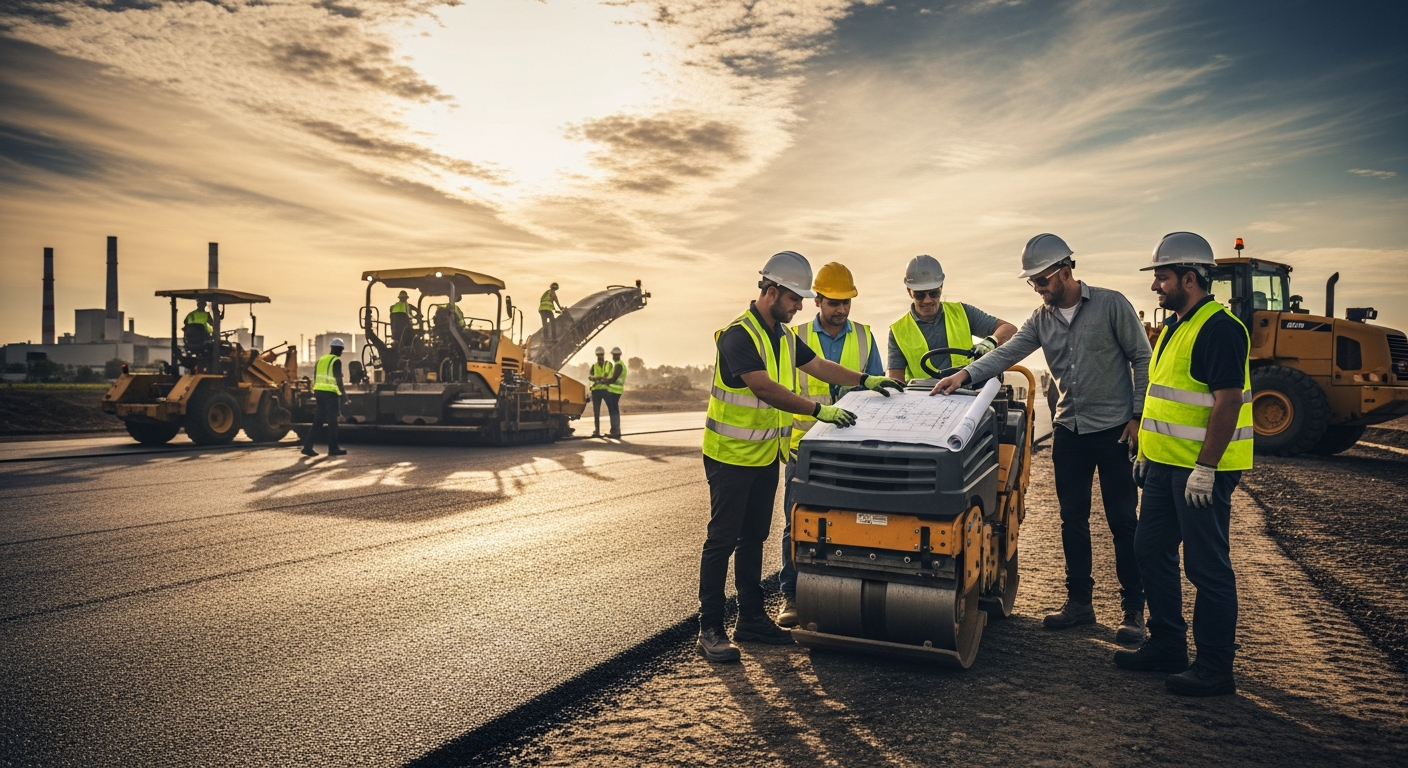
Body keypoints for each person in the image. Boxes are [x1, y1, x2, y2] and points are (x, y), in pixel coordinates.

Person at [931, 234, 1152, 643]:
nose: (1037, 288)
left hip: (1115, 429)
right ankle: (1080, 605)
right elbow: (1007, 352)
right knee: (1073, 520)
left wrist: (1138, 415)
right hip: (1071, 429)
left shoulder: (1111, 305)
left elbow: (1141, 357)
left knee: (1123, 521)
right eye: (1032, 282)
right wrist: (964, 375)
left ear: (1065, 272)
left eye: (1042, 280)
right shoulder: (1041, 318)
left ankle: (1133, 610)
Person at [697, 251, 906, 663]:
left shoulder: (781, 334)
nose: (799, 306)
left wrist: (866, 378)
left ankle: (752, 618)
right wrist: (818, 411)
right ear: (771, 292)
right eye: (794, 299)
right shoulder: (739, 336)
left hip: (762, 455)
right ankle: (710, 628)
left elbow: (818, 366)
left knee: (753, 538)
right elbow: (764, 389)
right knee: (722, 540)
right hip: (728, 457)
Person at [1115, 231, 1253, 697]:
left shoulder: (1219, 328)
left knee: (1206, 567)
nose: (1156, 286)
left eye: (1162, 277)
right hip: (1163, 466)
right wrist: (1147, 455)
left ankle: (1215, 668)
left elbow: (1228, 402)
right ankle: (1169, 645)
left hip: (1200, 470)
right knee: (1149, 550)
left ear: (1188, 278)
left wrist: (1208, 467)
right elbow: (1166, 398)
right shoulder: (1177, 325)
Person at [775, 262, 883, 629]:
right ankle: (791, 594)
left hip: (853, 453)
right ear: (817, 299)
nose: (840, 309)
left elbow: (875, 391)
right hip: (804, 452)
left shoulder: (866, 338)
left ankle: (849, 593)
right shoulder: (796, 335)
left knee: (856, 522)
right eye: (833, 302)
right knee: (797, 523)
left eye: (846, 303)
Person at [888, 254, 1017, 380]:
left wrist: (991, 341)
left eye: (933, 293)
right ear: (909, 292)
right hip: (924, 398)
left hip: (966, 393)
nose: (927, 300)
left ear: (941, 287)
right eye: (920, 295)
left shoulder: (963, 312)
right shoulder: (898, 331)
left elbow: (1008, 329)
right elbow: (896, 379)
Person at [303, 338, 348, 457]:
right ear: (339, 349)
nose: (341, 352)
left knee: (318, 421)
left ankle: (307, 447)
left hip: (319, 392)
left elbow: (315, 376)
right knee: (333, 422)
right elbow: (338, 380)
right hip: (331, 394)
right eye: (341, 350)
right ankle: (333, 448)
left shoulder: (320, 360)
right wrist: (344, 395)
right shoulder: (336, 361)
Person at [587, 346, 624, 438]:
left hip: (606, 389)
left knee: (612, 410)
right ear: (596, 355)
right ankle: (597, 431)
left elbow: (608, 375)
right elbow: (590, 377)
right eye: (598, 354)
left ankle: (614, 430)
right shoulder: (594, 366)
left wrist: (597, 378)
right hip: (596, 390)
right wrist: (598, 378)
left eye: (601, 354)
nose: (600, 356)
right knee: (596, 412)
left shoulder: (609, 364)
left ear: (603, 354)